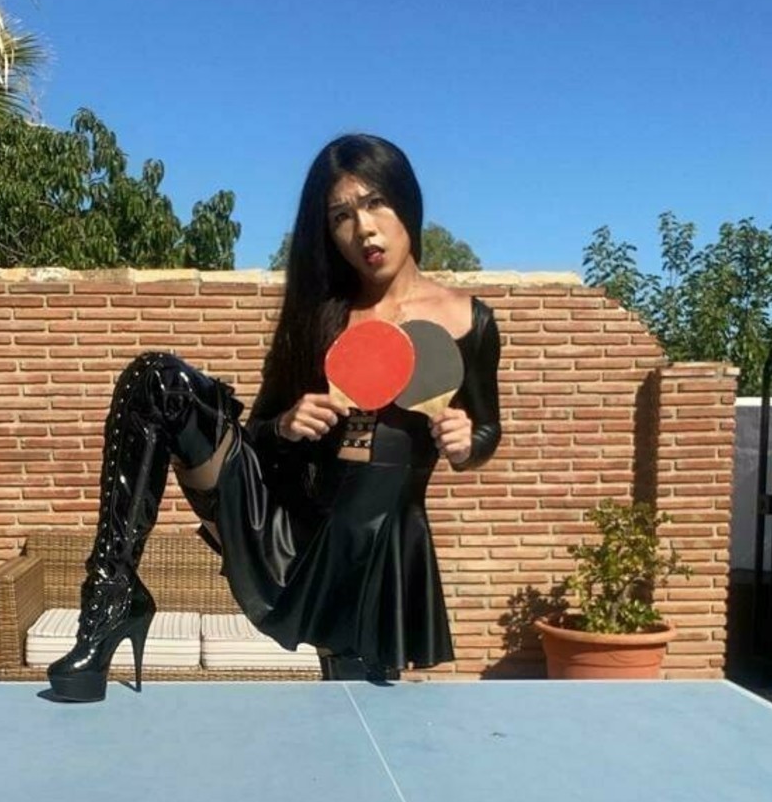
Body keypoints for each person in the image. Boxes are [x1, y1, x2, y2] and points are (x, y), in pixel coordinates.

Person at [47, 133, 502, 701]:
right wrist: (285, 425)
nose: (364, 229)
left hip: (372, 542)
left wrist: (468, 442)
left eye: (375, 202)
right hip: (281, 527)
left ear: (407, 201)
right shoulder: (320, 315)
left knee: (360, 714)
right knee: (156, 379)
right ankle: (111, 598)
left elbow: (487, 427)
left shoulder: (469, 321)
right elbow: (257, 433)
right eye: (341, 216)